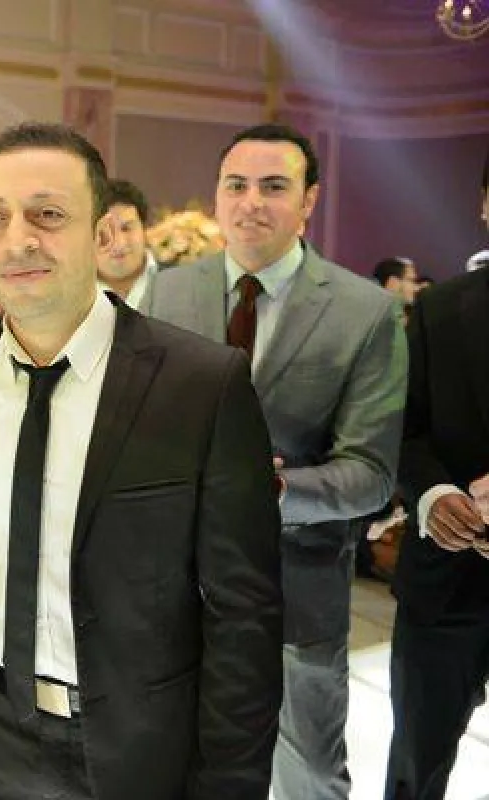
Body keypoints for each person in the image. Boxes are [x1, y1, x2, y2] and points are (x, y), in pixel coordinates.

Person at [0, 122, 284, 800]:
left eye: (47, 215)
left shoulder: (201, 386)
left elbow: (244, 617)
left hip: (137, 747)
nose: (17, 240)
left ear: (99, 234)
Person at [145, 123, 407, 800]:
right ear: (217, 194)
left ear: (309, 199)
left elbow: (372, 473)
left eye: (273, 186)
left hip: (297, 590)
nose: (251, 202)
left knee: (309, 777)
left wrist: (275, 488)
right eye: (236, 185)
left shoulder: (364, 312)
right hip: (176, 591)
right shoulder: (168, 294)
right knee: (177, 769)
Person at [385, 149, 489, 800]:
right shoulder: (439, 308)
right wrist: (434, 493)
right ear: (484, 203)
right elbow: (403, 427)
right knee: (416, 769)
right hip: (444, 581)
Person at [97, 178, 159, 307]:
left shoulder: (181, 279)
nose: (119, 244)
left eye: (126, 228)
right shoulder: (70, 292)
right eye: (104, 232)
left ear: (145, 228)